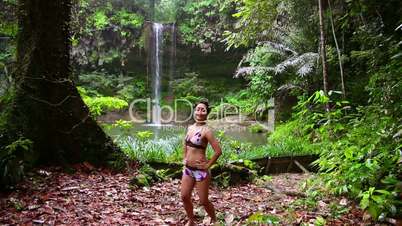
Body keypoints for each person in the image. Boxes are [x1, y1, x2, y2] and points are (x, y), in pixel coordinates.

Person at [181, 100, 222, 226]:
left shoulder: (206, 131)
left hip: (201, 171)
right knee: (184, 196)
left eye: (203, 110)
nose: (199, 112)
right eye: (198, 109)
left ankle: (215, 221)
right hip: (188, 169)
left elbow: (218, 151)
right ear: (194, 111)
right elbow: (185, 144)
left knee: (203, 201)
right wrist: (184, 158)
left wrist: (207, 165)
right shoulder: (190, 127)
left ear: (206, 113)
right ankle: (191, 220)